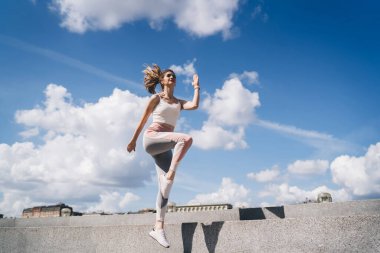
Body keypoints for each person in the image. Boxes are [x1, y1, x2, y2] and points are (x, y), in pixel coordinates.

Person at [127, 64, 200, 248]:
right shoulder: (156, 98)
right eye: (168, 75)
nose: (171, 77)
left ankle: (158, 228)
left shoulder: (178, 102)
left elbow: (195, 105)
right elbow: (143, 120)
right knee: (186, 139)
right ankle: (171, 173)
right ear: (162, 80)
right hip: (152, 139)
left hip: (165, 145)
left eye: (174, 76)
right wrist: (133, 141)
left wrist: (196, 87)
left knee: (165, 189)